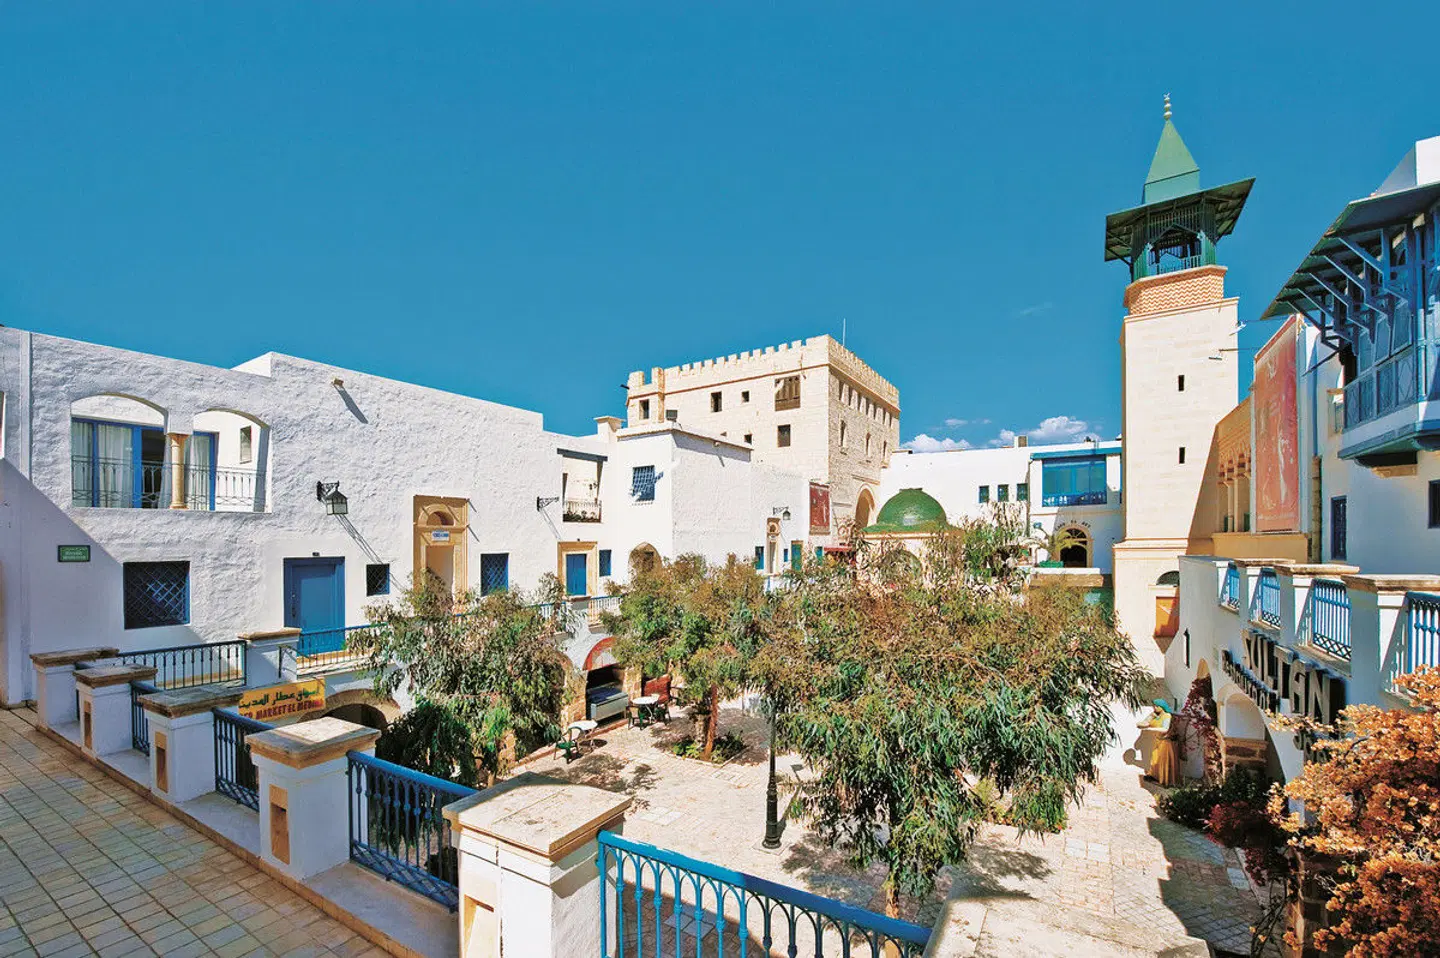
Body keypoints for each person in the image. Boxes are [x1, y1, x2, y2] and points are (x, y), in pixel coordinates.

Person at [1144, 698, 1181, 787]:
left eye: (1157, 706)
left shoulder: (1167, 716)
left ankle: (1165, 781)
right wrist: (1150, 718)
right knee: (1156, 759)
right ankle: (1156, 776)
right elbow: (1142, 723)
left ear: (1162, 707)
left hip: (1166, 742)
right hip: (1158, 741)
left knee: (1164, 761)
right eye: (1154, 706)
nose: (1155, 707)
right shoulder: (1157, 716)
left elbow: (1165, 729)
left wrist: (1150, 729)